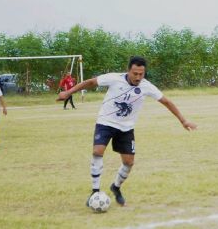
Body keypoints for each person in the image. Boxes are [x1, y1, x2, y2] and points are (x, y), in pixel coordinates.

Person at [57, 56, 197, 206]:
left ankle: (115, 187)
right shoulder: (114, 78)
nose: (138, 77)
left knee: (129, 163)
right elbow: (90, 82)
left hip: (126, 128)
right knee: (97, 152)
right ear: (128, 70)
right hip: (106, 123)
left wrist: (183, 120)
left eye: (141, 74)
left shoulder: (146, 86)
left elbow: (166, 101)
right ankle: (95, 191)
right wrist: (68, 92)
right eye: (135, 73)